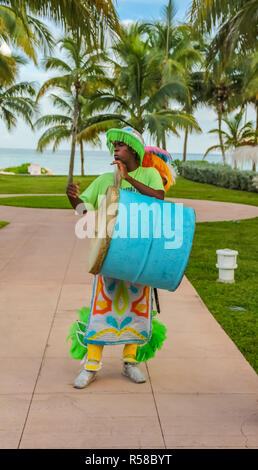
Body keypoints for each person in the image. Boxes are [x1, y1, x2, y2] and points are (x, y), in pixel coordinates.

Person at [66, 127, 165, 388]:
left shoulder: (150, 175)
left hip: (140, 257)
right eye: (115, 145)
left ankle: (130, 362)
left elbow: (160, 198)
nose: (115, 149)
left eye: (121, 145)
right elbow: (82, 209)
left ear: (133, 150)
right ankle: (91, 366)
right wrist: (72, 198)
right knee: (102, 310)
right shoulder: (103, 180)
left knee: (137, 310)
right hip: (109, 256)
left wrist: (128, 179)